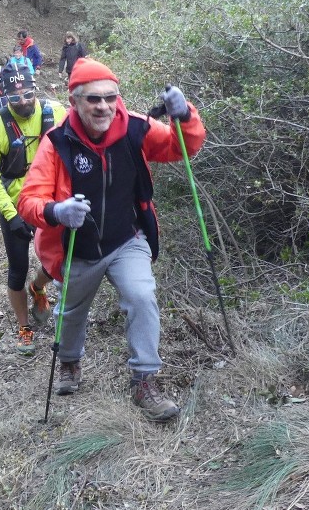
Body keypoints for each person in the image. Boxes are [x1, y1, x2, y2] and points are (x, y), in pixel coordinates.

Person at [17, 58, 206, 422]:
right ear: (75, 102)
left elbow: (181, 148)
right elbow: (28, 201)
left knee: (141, 295)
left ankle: (144, 381)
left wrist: (184, 116)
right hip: (77, 247)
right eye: (93, 99)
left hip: (125, 239)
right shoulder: (58, 142)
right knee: (70, 314)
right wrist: (57, 211)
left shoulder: (135, 128)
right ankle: (70, 362)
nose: (103, 106)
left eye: (110, 97)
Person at [0, 65, 68, 354]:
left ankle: (39, 287)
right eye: (14, 98)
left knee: (57, 261)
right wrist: (10, 214)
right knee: (17, 269)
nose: (23, 101)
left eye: (28, 94)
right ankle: (24, 328)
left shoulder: (55, 112)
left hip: (51, 202)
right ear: (4, 96)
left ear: (36, 89)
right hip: (17, 205)